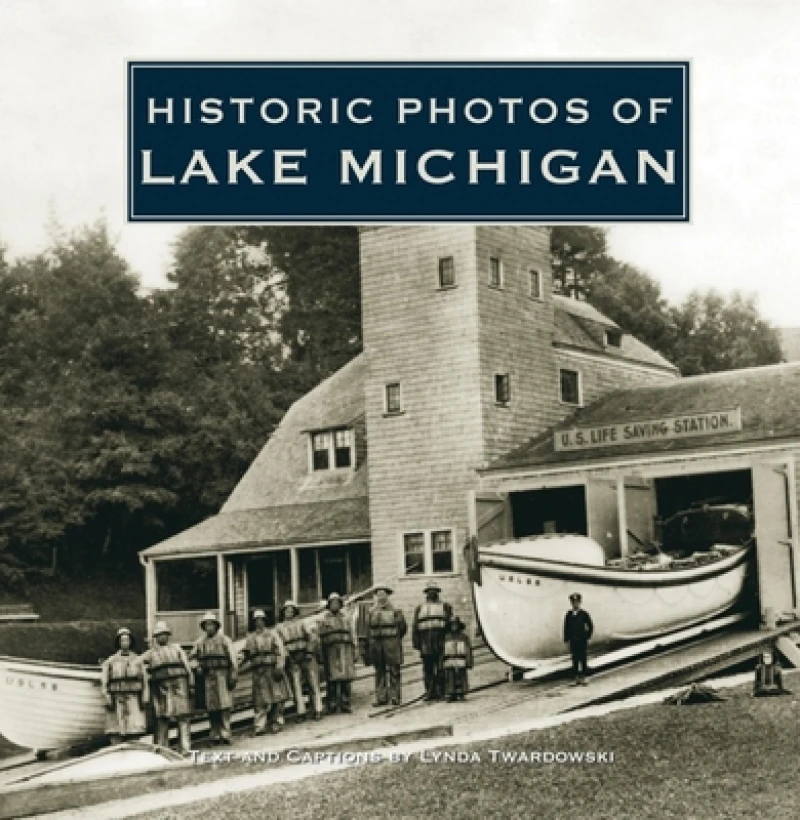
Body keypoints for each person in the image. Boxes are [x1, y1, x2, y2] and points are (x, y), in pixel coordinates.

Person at [140, 620, 193, 755]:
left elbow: (187, 666)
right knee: (162, 718)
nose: (162, 637)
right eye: (158, 635)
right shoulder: (151, 653)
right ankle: (163, 748)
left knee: (183, 716)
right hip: (161, 688)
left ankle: (185, 748)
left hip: (179, 685)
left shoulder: (177, 648)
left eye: (164, 634)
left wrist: (191, 682)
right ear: (155, 638)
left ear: (168, 635)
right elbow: (138, 663)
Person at [190, 612, 238, 745]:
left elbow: (233, 659)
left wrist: (233, 675)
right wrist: (197, 666)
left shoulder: (225, 640)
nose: (209, 627)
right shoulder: (200, 642)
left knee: (225, 706)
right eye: (206, 625)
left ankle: (226, 733)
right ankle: (214, 734)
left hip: (222, 675)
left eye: (211, 624)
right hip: (208, 677)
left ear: (216, 626)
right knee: (212, 707)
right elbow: (192, 658)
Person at [240, 609, 291, 735]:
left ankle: (276, 722)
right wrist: (237, 666)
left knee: (277, 697)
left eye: (261, 620)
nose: (259, 622)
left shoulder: (273, 634)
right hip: (258, 671)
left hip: (272, 668)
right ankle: (259, 726)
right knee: (259, 700)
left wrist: (280, 666)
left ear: (265, 621)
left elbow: (280, 651)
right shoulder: (250, 637)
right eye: (256, 620)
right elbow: (245, 654)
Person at [277, 600, 324, 721]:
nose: (289, 612)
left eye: (291, 610)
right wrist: (287, 656)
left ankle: (317, 709)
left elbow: (312, 637)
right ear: (283, 612)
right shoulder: (280, 627)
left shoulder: (302, 623)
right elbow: (280, 644)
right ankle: (301, 712)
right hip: (292, 658)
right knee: (296, 686)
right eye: (287, 610)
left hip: (306, 655)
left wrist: (309, 651)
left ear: (295, 611)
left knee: (313, 682)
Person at [101, 627, 149, 744]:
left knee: (134, 727)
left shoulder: (138, 660)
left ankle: (134, 746)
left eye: (127, 640)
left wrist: (145, 697)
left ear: (131, 642)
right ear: (118, 642)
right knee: (117, 728)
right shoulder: (110, 661)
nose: (125, 643)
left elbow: (145, 680)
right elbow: (104, 681)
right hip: (117, 698)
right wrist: (107, 697)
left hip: (133, 698)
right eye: (122, 640)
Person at [366, 584, 407, 707]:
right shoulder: (371, 611)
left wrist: (394, 638)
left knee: (394, 670)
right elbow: (368, 629)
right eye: (379, 595)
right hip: (377, 645)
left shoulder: (396, 610)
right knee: (379, 671)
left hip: (392, 643)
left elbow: (403, 628)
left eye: (383, 594)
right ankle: (381, 698)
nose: (381, 597)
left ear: (388, 596)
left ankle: (395, 697)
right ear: (376, 597)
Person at [317, 592, 357, 714]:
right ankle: (332, 704)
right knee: (331, 679)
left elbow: (352, 634)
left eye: (337, 603)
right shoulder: (324, 619)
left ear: (340, 604)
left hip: (345, 649)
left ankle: (345, 703)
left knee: (345, 679)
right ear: (329, 605)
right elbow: (319, 637)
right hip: (330, 651)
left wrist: (355, 650)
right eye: (332, 603)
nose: (335, 605)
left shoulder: (346, 618)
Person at [412, 583, 452, 700]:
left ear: (438, 592)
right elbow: (415, 626)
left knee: (441, 667)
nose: (432, 593)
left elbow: (450, 625)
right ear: (426, 593)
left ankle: (442, 691)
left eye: (434, 591)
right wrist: (417, 642)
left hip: (441, 642)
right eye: (429, 591)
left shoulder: (445, 606)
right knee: (428, 669)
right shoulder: (420, 608)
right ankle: (430, 692)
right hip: (426, 643)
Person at [563, 592, 593, 686]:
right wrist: (566, 639)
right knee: (575, 659)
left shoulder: (584, 614)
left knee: (583, 658)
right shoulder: (569, 614)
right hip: (573, 640)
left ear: (580, 602)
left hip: (582, 640)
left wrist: (587, 636)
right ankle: (576, 678)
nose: (575, 604)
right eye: (573, 602)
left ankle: (584, 677)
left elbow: (590, 625)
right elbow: (566, 627)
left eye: (577, 602)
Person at [442, 616, 473, 702]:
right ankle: (451, 693)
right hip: (449, 660)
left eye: (456, 625)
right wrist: (442, 661)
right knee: (450, 677)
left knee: (461, 676)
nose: (454, 627)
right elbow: (442, 651)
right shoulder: (446, 637)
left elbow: (468, 650)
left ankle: (461, 693)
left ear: (459, 626)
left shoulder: (464, 637)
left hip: (460, 660)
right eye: (452, 625)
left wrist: (469, 661)